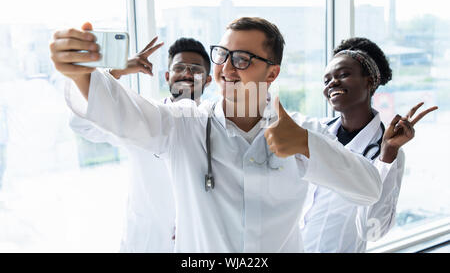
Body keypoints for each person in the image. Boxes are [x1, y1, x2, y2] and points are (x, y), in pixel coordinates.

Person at [51, 17, 387, 253]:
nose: (226, 68)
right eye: (222, 55)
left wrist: (304, 144)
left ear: (272, 72)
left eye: (242, 59)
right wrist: (81, 73)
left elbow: (370, 189)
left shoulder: (304, 131)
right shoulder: (183, 123)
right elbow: (123, 114)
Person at [69, 36, 212, 252]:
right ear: (167, 76)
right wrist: (117, 71)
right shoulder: (141, 117)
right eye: (179, 67)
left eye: (196, 69)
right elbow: (82, 122)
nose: (187, 74)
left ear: (208, 80)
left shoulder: (217, 124)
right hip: (147, 242)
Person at [296, 37, 438, 252]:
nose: (332, 83)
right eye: (326, 80)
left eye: (343, 75)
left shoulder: (388, 153)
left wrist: (387, 155)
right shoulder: (316, 131)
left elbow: (373, 231)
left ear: (369, 81)